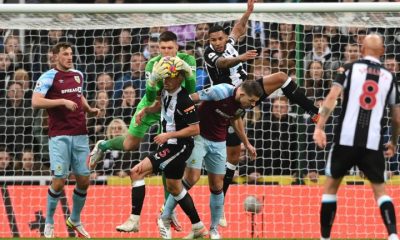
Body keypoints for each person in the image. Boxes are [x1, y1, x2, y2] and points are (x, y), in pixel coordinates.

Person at [203, 0, 320, 227]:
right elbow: (224, 63)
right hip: (228, 102)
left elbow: (238, 29)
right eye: (213, 40)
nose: (217, 43)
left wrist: (247, 12)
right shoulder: (210, 54)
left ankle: (314, 113)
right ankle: (220, 206)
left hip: (247, 92)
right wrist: (241, 58)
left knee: (280, 77)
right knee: (233, 156)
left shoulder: (229, 41)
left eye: (220, 39)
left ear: (225, 38)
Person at [89, 31, 196, 233]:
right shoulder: (151, 64)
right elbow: (152, 96)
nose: (166, 52)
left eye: (170, 48)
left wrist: (187, 74)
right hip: (152, 106)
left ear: (177, 48)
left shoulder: (187, 60)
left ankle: (167, 210)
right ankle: (103, 145)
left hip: (172, 110)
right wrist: (153, 80)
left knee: (169, 157)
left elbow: (190, 90)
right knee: (130, 144)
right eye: (162, 48)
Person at [313, 34, 400, 240]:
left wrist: (319, 127)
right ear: (383, 52)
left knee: (331, 189)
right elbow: (397, 117)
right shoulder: (390, 77)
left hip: (345, 140)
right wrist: (394, 142)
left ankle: (325, 238)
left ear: (362, 50)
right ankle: (393, 235)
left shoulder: (348, 69)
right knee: (380, 191)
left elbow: (332, 97)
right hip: (372, 143)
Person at [161, 80, 262, 239]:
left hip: (219, 142)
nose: (253, 104)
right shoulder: (220, 91)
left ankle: (214, 230)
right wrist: (179, 122)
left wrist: (247, 143)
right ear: (242, 93)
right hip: (198, 137)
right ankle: (165, 216)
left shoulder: (243, 105)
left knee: (217, 185)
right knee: (191, 178)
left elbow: (235, 119)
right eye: (251, 101)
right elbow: (190, 98)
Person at [128, 57, 206, 239]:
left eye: (170, 78)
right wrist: (144, 111)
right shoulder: (164, 90)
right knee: (174, 188)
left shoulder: (185, 100)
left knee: (136, 171)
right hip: (169, 144)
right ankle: (198, 227)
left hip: (178, 146)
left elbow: (195, 129)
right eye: (165, 77)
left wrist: (168, 135)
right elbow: (157, 105)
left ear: (179, 78)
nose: (166, 81)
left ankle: (134, 220)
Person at [32, 42, 100, 238]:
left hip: (80, 134)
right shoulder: (48, 77)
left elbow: (79, 96)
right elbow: (36, 101)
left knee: (84, 180)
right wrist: (61, 101)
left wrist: (89, 109)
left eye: (71, 54)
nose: (70, 57)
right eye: (65, 54)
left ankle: (75, 220)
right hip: (59, 136)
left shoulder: (78, 75)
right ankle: (49, 223)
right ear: (55, 56)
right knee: (59, 181)